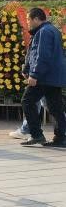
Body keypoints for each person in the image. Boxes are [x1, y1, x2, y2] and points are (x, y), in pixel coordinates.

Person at [20, 8, 66, 147]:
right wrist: (27, 69)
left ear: (36, 19)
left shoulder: (44, 32)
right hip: (54, 76)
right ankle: (61, 137)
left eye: (28, 19)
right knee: (55, 107)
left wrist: (34, 74)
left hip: (44, 76)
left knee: (27, 101)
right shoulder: (52, 30)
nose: (27, 22)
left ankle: (37, 135)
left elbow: (42, 55)